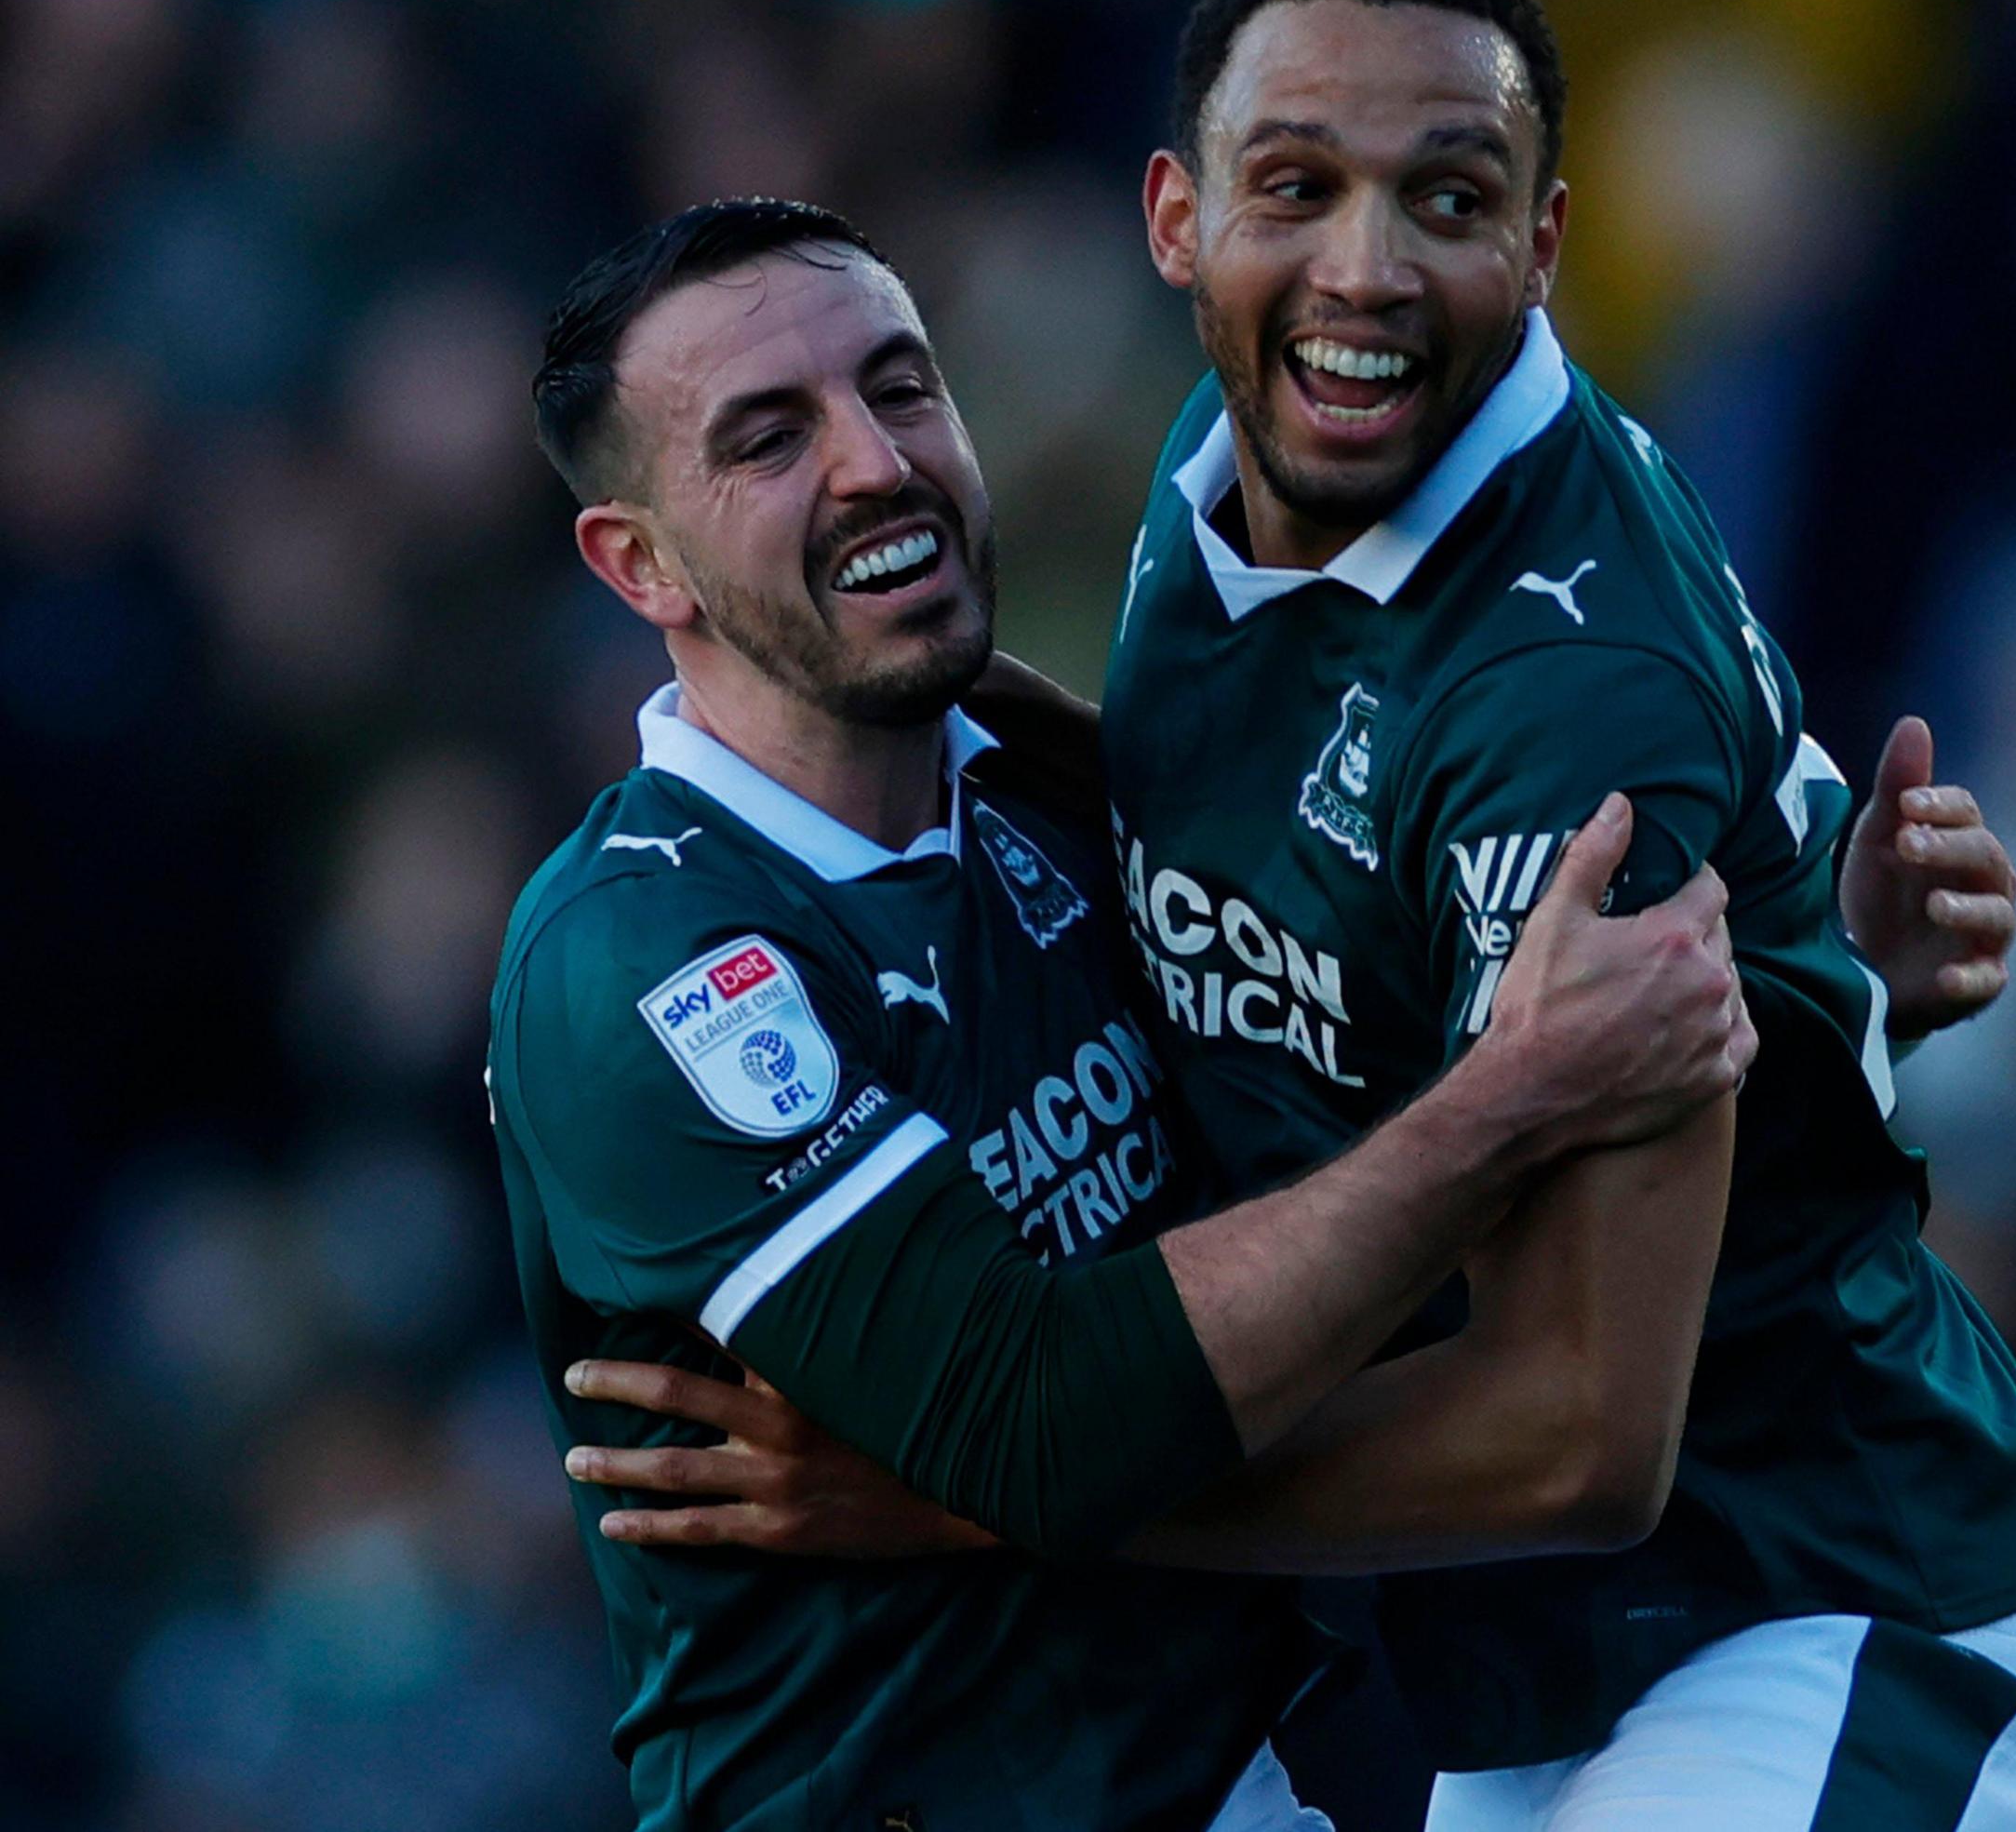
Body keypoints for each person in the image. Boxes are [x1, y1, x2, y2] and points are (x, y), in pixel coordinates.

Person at [495, 195, 1762, 1829]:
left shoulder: (1059, 799)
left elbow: (1377, 1105)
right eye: (767, 440)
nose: (876, 462)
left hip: (1256, 1770)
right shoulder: (649, 963)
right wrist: (1514, 1093)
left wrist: (1826, 961)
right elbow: (1043, 1420)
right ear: (637, 561)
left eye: (900, 386)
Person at [1093, 0, 2016, 1828]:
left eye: (1446, 197)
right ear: (1178, 218)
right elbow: (1241, 806)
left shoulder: (1571, 695)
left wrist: (1037, 1493)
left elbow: (1576, 1435)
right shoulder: (1227, 471)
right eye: (1294, 187)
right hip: (1514, 1671)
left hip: (1809, 1608)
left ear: (1542, 242)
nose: (1364, 270)